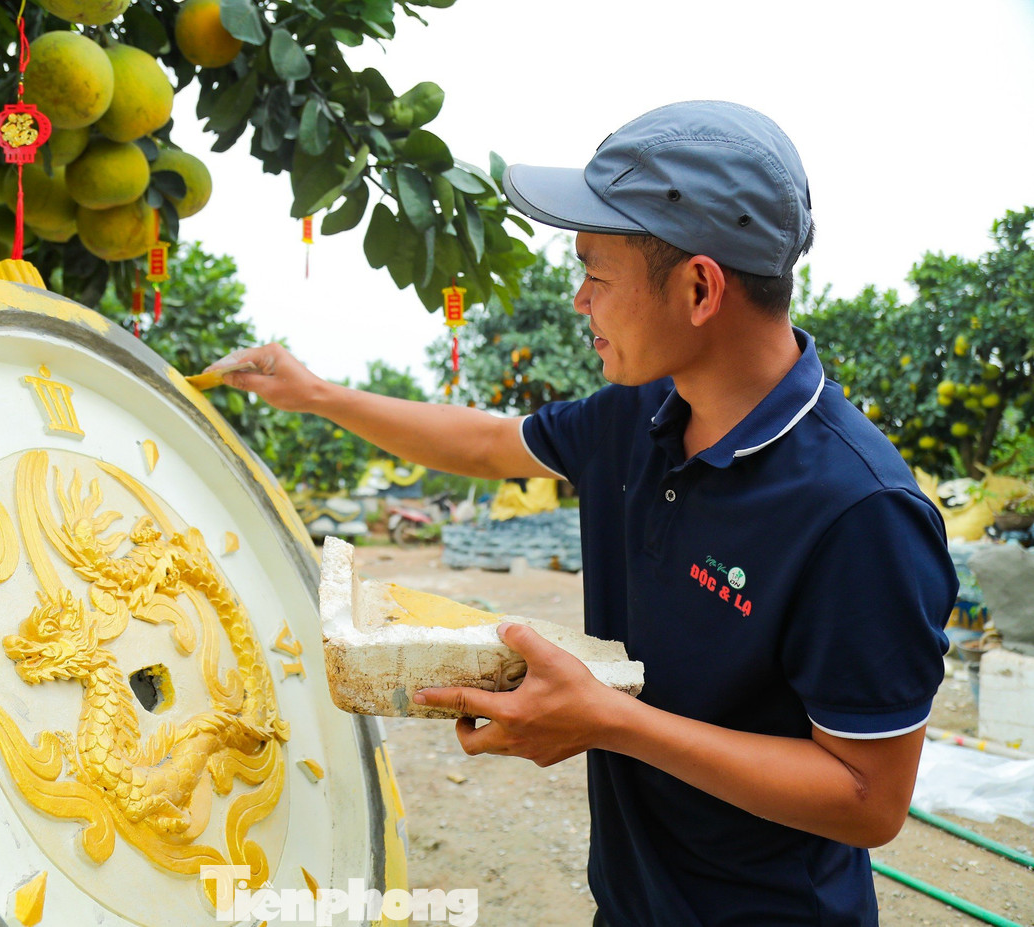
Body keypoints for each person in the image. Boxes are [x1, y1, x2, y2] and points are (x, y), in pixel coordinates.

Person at [209, 100, 956, 926]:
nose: (578, 300)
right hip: (630, 903)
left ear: (700, 286)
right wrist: (314, 393)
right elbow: (490, 445)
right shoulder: (637, 415)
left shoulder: (860, 512)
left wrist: (613, 722)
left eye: (596, 274)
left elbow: (868, 798)